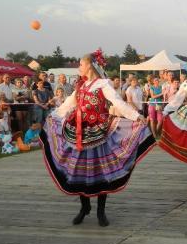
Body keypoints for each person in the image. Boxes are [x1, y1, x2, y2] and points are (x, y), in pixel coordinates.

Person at [39, 50, 154, 227]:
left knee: (101, 171)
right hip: (78, 130)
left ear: (90, 66)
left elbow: (118, 102)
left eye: (81, 64)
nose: (79, 67)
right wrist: (53, 115)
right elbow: (68, 104)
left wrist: (136, 116)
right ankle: (85, 207)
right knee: (79, 170)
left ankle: (101, 210)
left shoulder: (103, 84)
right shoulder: (80, 85)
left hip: (98, 131)